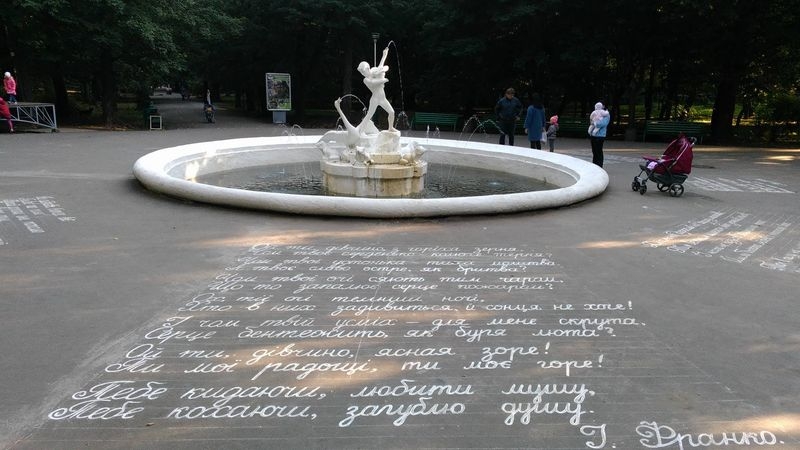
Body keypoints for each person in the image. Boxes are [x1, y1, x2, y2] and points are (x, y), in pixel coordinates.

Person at [357, 47, 396, 132]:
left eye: (363, 71)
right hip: (375, 99)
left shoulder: (374, 72)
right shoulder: (366, 80)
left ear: (368, 69)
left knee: (391, 112)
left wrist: (384, 55)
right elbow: (373, 83)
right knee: (369, 115)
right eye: (361, 73)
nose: (362, 74)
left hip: (382, 98)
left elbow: (381, 66)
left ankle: (390, 128)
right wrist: (383, 80)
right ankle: (360, 130)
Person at [588, 102, 610, 167]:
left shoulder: (606, 114)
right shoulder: (595, 112)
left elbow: (602, 124)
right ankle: (595, 165)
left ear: (603, 106)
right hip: (593, 135)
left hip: (600, 135)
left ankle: (599, 165)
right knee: (594, 151)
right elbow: (591, 121)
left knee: (598, 151)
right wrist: (593, 122)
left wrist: (595, 123)